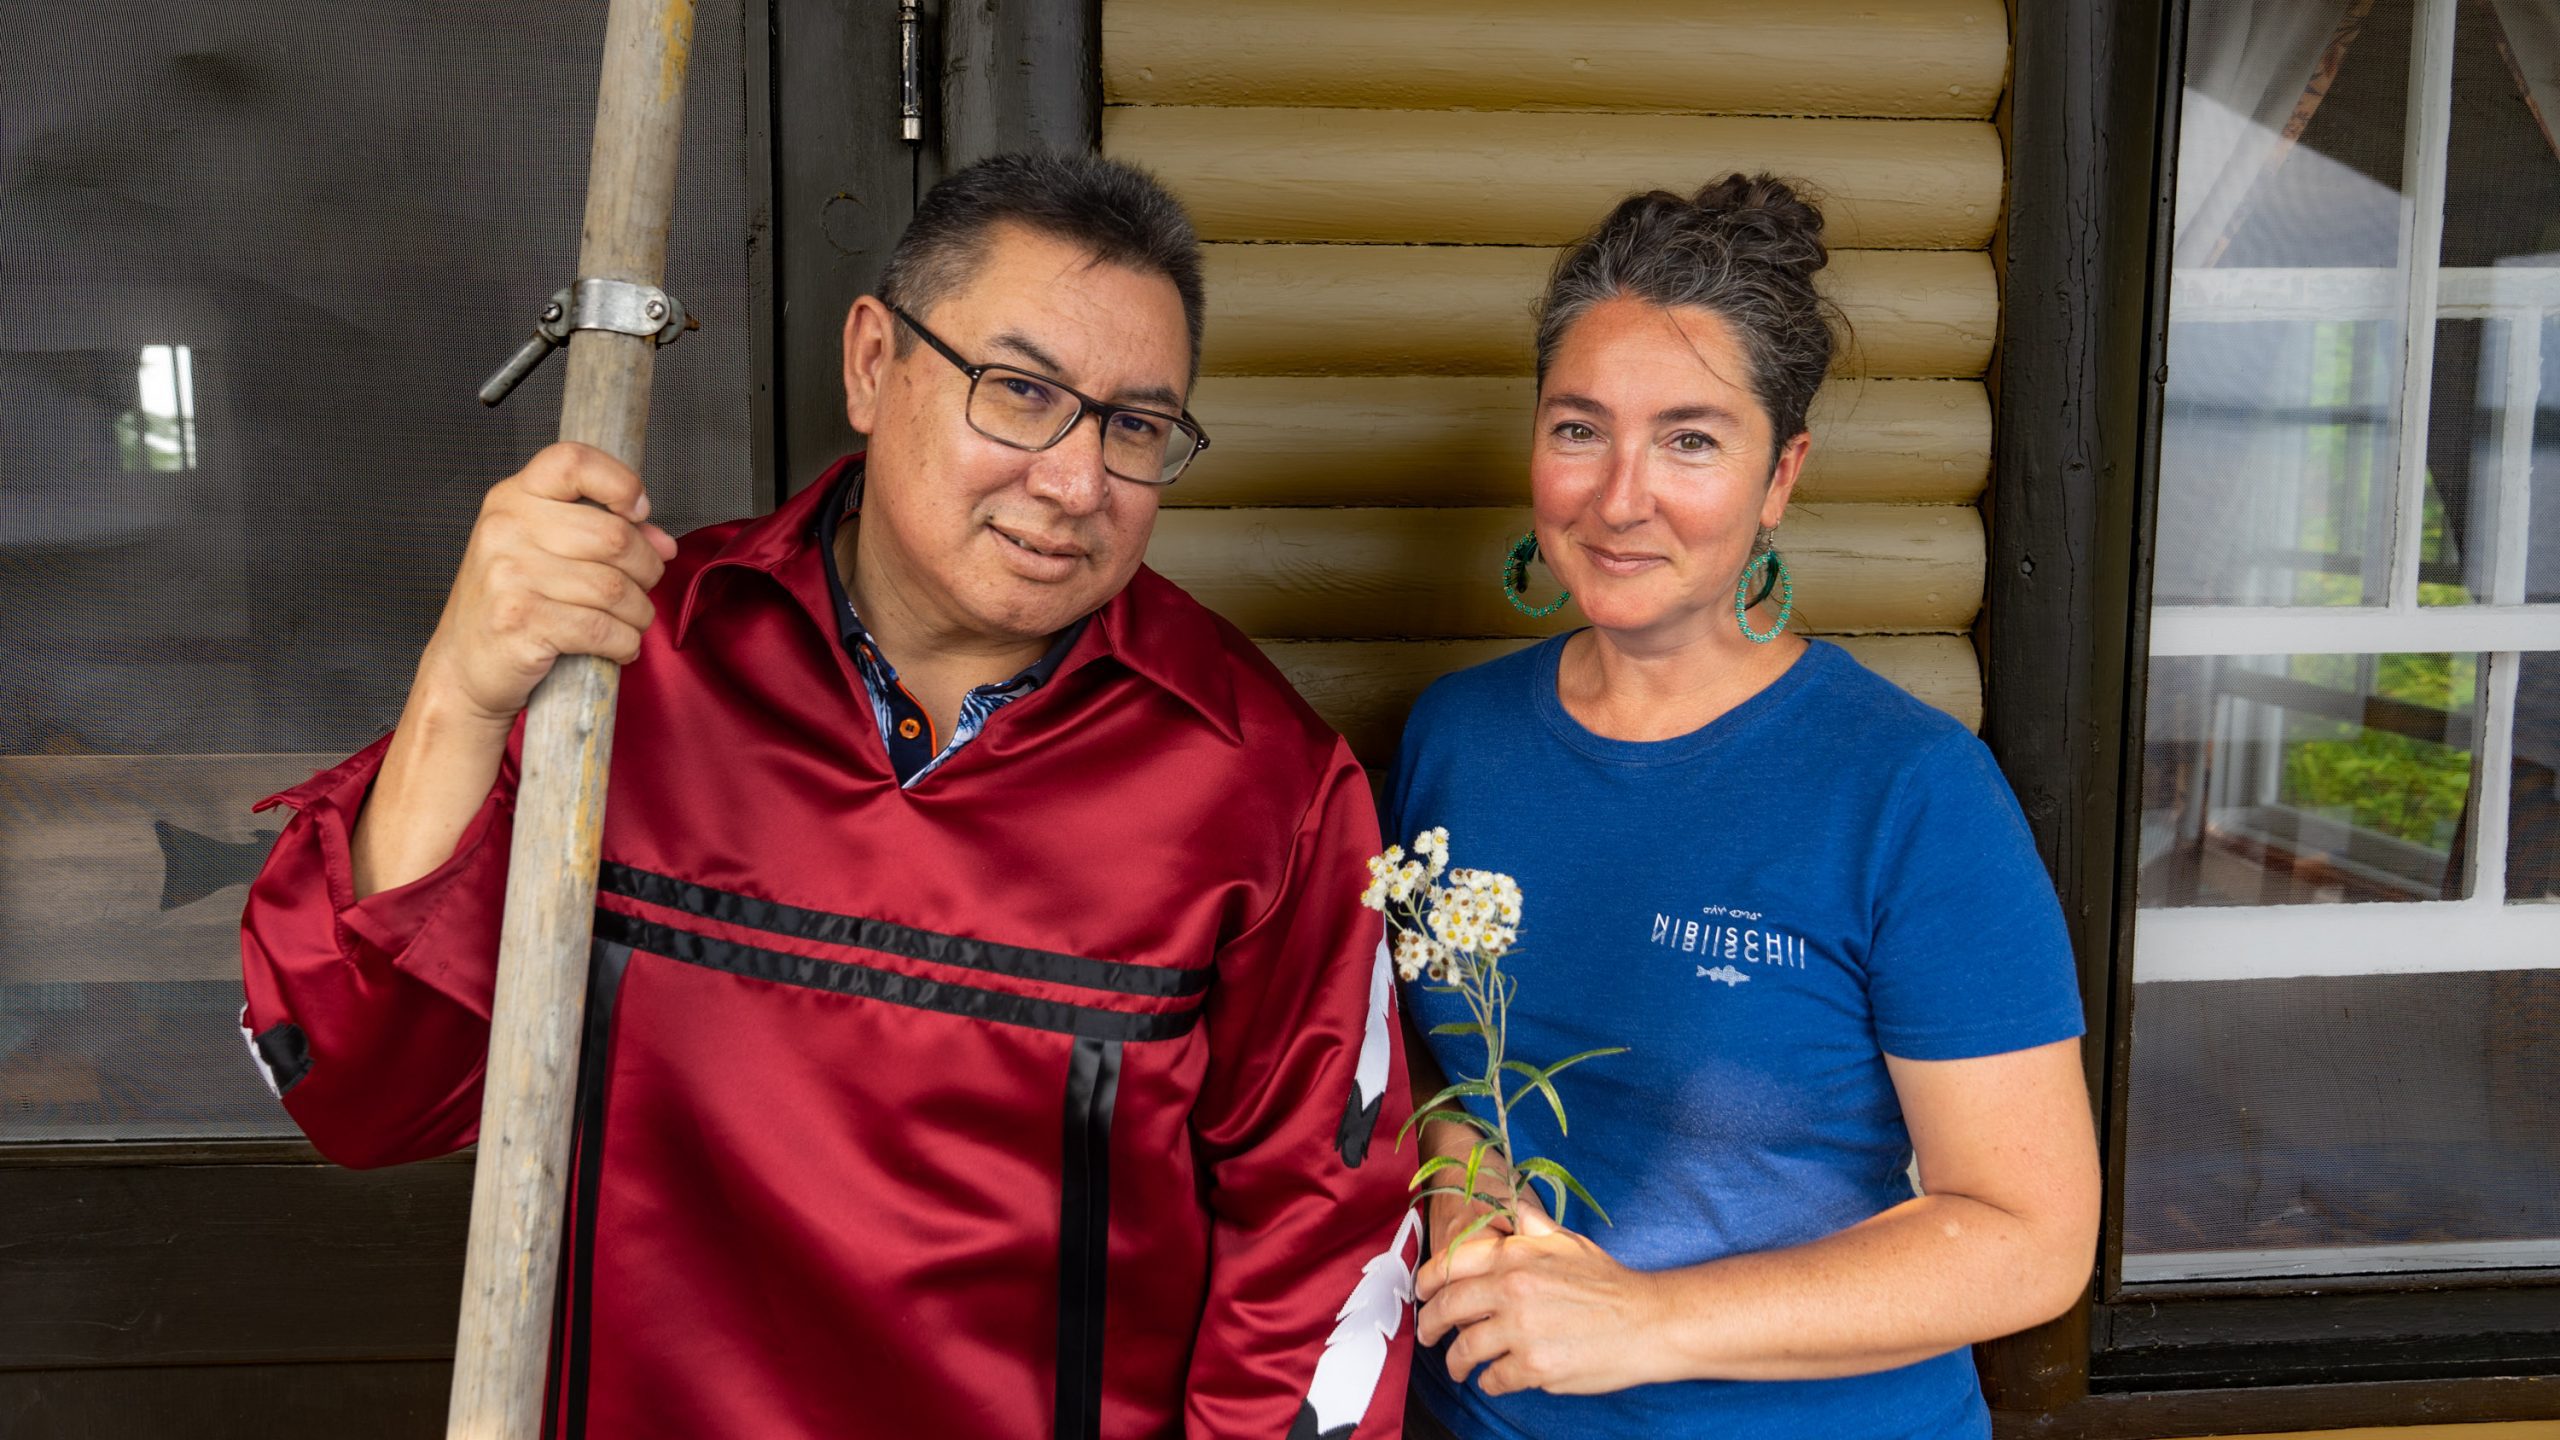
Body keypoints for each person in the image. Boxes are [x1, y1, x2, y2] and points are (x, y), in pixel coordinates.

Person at [236, 152, 1416, 1440]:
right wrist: (462, 693)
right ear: (871, 362)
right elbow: (359, 1093)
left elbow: (1319, 1257)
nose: (1076, 483)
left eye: (1135, 427)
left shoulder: (1262, 784)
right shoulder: (624, 671)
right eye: (1021, 392)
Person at [1387, 175, 2100, 1439]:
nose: (1619, 497)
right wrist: (1457, 1167)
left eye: (1690, 440)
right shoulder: (1457, 737)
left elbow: (2029, 1238)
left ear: (1781, 476)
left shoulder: (1909, 793)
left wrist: (1645, 1322)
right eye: (1578, 429)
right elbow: (1423, 1056)